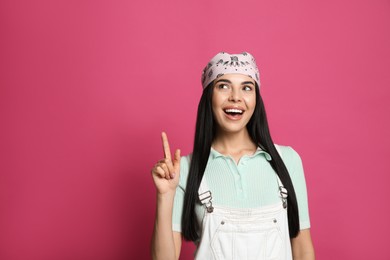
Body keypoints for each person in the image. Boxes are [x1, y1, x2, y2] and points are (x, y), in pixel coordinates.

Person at [151, 52, 315, 260]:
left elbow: (303, 251)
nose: (236, 97)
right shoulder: (184, 170)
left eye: (247, 87)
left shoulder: (287, 161)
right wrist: (165, 196)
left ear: (256, 98)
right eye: (223, 86)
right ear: (209, 96)